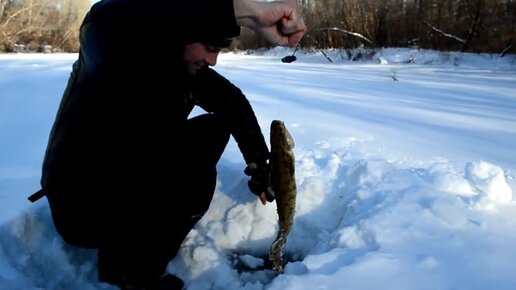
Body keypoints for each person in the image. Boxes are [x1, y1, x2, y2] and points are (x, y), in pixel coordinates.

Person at [28, 0, 306, 289]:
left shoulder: (185, 69)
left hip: (128, 181)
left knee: (215, 127)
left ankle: (132, 251)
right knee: (196, 176)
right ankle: (137, 272)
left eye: (218, 50)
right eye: (209, 47)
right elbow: (107, 15)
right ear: (182, 33)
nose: (213, 60)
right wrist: (248, 12)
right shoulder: (113, 48)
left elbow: (232, 103)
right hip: (82, 203)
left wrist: (260, 166)